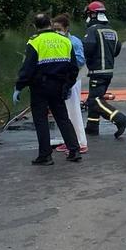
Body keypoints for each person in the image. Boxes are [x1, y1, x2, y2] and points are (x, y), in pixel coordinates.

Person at [14, 13, 81, 165]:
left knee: (41, 120)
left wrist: (19, 86)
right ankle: (74, 150)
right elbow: (73, 68)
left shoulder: (34, 42)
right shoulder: (64, 41)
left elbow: (28, 68)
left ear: (35, 26)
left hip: (40, 87)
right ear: (50, 24)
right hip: (59, 86)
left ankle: (45, 155)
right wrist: (68, 84)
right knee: (63, 118)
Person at [83, 0, 126, 138]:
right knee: (96, 98)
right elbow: (117, 49)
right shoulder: (112, 31)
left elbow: (88, 48)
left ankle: (120, 120)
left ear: (93, 15)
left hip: (97, 71)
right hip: (108, 71)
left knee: (94, 101)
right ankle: (92, 127)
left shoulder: (93, 30)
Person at [51, 14, 88, 155]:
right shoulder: (55, 42)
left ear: (66, 28)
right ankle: (68, 141)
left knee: (74, 112)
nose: (56, 32)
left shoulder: (74, 41)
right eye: (54, 29)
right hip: (60, 81)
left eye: (59, 29)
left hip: (71, 80)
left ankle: (81, 142)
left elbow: (79, 61)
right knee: (63, 114)